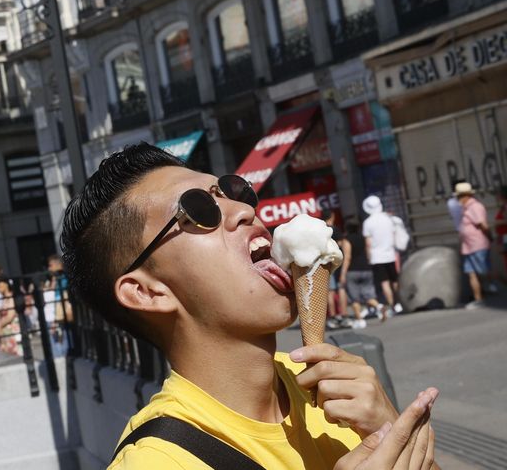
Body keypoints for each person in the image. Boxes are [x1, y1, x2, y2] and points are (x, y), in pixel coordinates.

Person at [60, 144, 438, 469]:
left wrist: (392, 431)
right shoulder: (157, 460)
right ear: (147, 292)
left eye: (230, 190)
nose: (242, 209)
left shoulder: (335, 387)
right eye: (200, 209)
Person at [455, 182, 494, 307]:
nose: (458, 199)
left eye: (460, 196)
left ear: (466, 195)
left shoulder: (475, 207)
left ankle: (502, 282)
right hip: (468, 246)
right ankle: (479, 299)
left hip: (478, 244)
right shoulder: (464, 208)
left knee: (484, 271)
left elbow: (483, 225)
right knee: (471, 273)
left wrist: (489, 237)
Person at [341, 221, 384, 330]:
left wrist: (343, 273)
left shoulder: (347, 240)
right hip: (366, 268)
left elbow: (347, 257)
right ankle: (379, 306)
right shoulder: (363, 238)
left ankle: (360, 320)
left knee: (354, 298)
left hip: (353, 270)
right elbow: (368, 251)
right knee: (368, 295)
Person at [362, 195, 399, 321]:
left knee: (384, 283)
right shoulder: (387, 218)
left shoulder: (367, 223)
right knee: (394, 280)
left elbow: (368, 243)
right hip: (390, 254)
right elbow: (394, 234)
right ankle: (398, 302)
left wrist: (368, 257)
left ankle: (392, 304)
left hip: (377, 257)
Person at [321, 209, 349, 329]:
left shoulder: (321, 230)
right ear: (332, 216)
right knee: (341, 289)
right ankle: (343, 315)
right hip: (338, 261)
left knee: (330, 292)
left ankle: (332, 317)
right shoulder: (335, 229)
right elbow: (342, 245)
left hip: (326, 262)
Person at [43, 254, 73, 356]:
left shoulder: (64, 277)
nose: (49, 268)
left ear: (58, 264)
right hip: (59, 312)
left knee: (64, 338)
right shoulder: (58, 277)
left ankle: (65, 356)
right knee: (62, 337)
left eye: (50, 265)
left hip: (63, 311)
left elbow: (61, 295)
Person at [0, 277, 22, 356]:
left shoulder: (11, 297)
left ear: (5, 284)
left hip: (12, 333)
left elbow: (10, 316)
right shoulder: (4, 299)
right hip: (6, 333)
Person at [493, 186, 507, 282]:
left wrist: (497, 222)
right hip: (503, 236)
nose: (497, 197)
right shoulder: (503, 206)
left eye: (498, 194)